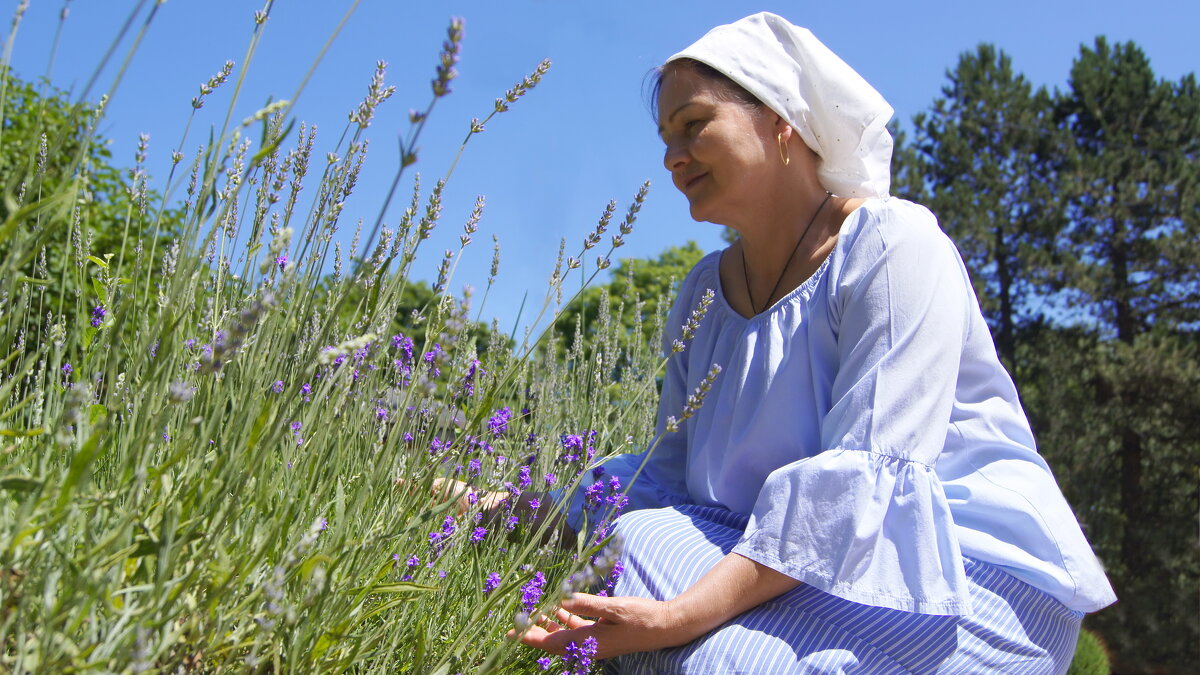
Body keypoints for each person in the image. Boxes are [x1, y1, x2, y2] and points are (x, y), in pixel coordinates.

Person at [508, 13, 1117, 673]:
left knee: (680, 636)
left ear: (781, 120)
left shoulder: (890, 245)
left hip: (965, 580)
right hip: (798, 573)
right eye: (664, 138)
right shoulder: (703, 295)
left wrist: (681, 615)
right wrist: (510, 510)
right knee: (633, 545)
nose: (672, 157)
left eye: (693, 124)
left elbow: (865, 478)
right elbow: (667, 477)